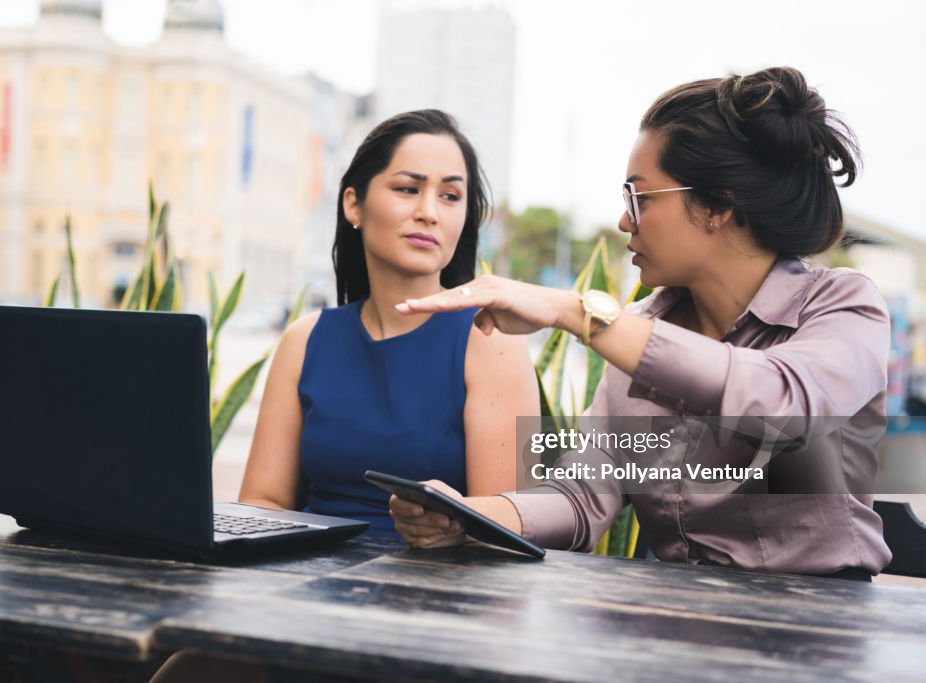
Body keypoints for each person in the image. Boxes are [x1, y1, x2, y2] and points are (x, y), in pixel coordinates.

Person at [389, 67, 892, 580]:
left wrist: (575, 313)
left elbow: (783, 403)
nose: (625, 221)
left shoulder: (842, 307)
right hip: (674, 624)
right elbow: (581, 497)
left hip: (820, 629)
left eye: (641, 198)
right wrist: (468, 516)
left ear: (719, 204)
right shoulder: (638, 329)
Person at [238, 109, 538, 535]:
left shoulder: (491, 341)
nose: (429, 212)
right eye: (408, 188)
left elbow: (510, 525)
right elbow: (262, 503)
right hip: (306, 584)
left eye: (450, 196)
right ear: (353, 204)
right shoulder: (303, 341)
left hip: (440, 589)